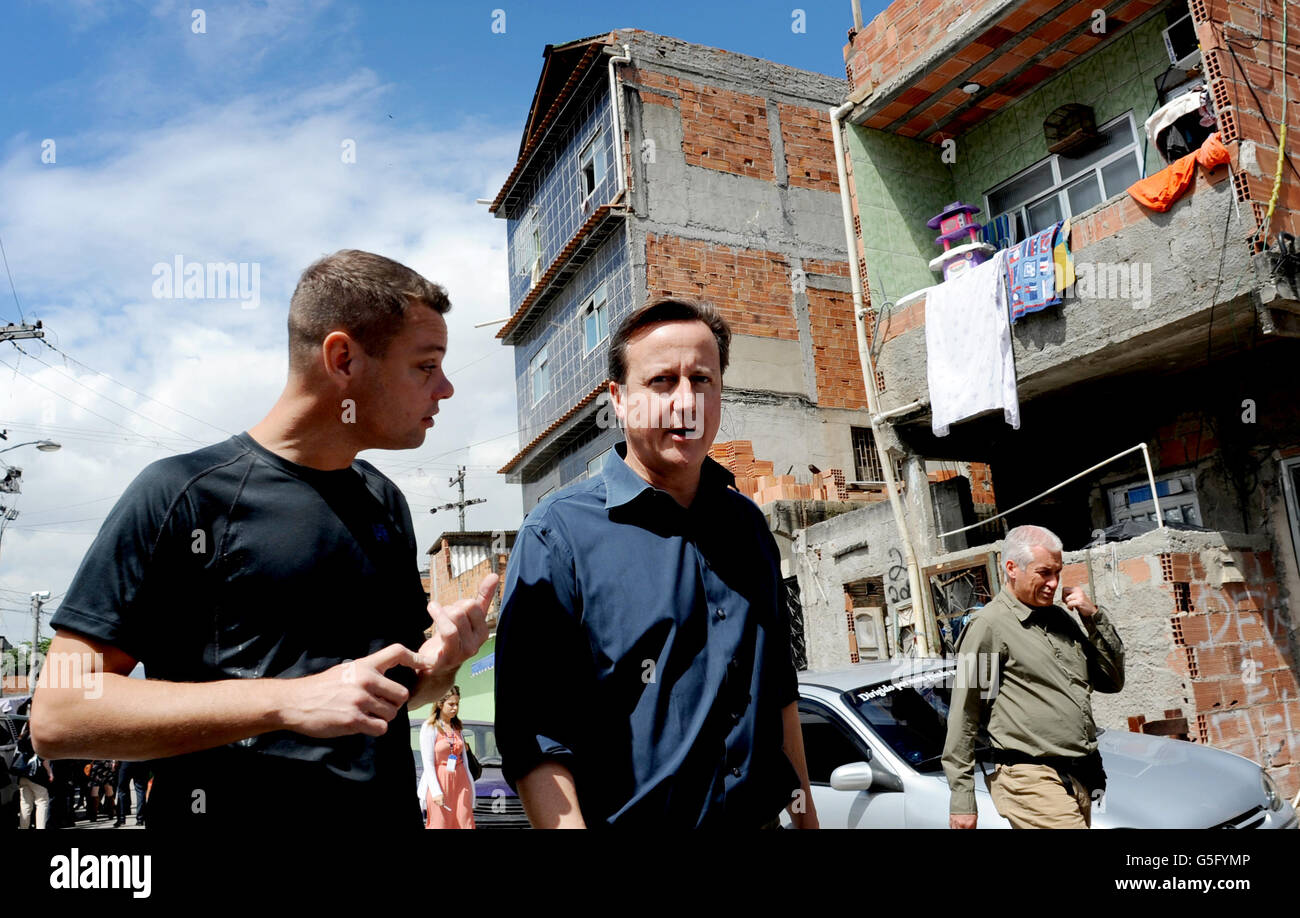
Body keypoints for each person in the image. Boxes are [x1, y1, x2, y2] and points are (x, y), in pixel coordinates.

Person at [30, 250, 496, 829]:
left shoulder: (386, 504)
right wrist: (287, 701)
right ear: (342, 358)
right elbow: (59, 716)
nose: (446, 389)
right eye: (426, 366)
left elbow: (386, 700)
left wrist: (442, 665)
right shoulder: (183, 494)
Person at [495, 296, 818, 829]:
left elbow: (779, 695)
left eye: (703, 380)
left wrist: (808, 823)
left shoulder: (748, 528)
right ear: (619, 400)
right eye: (662, 382)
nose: (686, 402)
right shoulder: (558, 536)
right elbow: (534, 741)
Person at [942, 524, 1125, 829]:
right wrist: (962, 798)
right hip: (1030, 777)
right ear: (1012, 568)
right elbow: (964, 713)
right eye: (1044, 573)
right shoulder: (989, 626)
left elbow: (1111, 681)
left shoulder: (1060, 618)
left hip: (1080, 772)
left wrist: (1093, 618)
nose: (1055, 583)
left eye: (1058, 572)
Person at [419, 686, 475, 829]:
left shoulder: (457, 727)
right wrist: (436, 792)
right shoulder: (430, 727)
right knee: (441, 824)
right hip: (439, 780)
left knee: (465, 823)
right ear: (440, 704)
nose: (455, 708)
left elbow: (465, 759)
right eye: (451, 704)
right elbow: (428, 763)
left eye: (457, 704)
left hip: (461, 780)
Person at [15, 720, 54, 829]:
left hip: (23, 774)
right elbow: (43, 758)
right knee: (42, 803)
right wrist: (50, 772)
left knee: (25, 805)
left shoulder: (22, 738)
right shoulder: (38, 739)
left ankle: (23, 827)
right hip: (37, 776)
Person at [114, 758, 150, 827]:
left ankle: (121, 819)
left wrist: (115, 760)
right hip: (141, 761)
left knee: (122, 791)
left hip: (126, 761)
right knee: (140, 790)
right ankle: (140, 819)